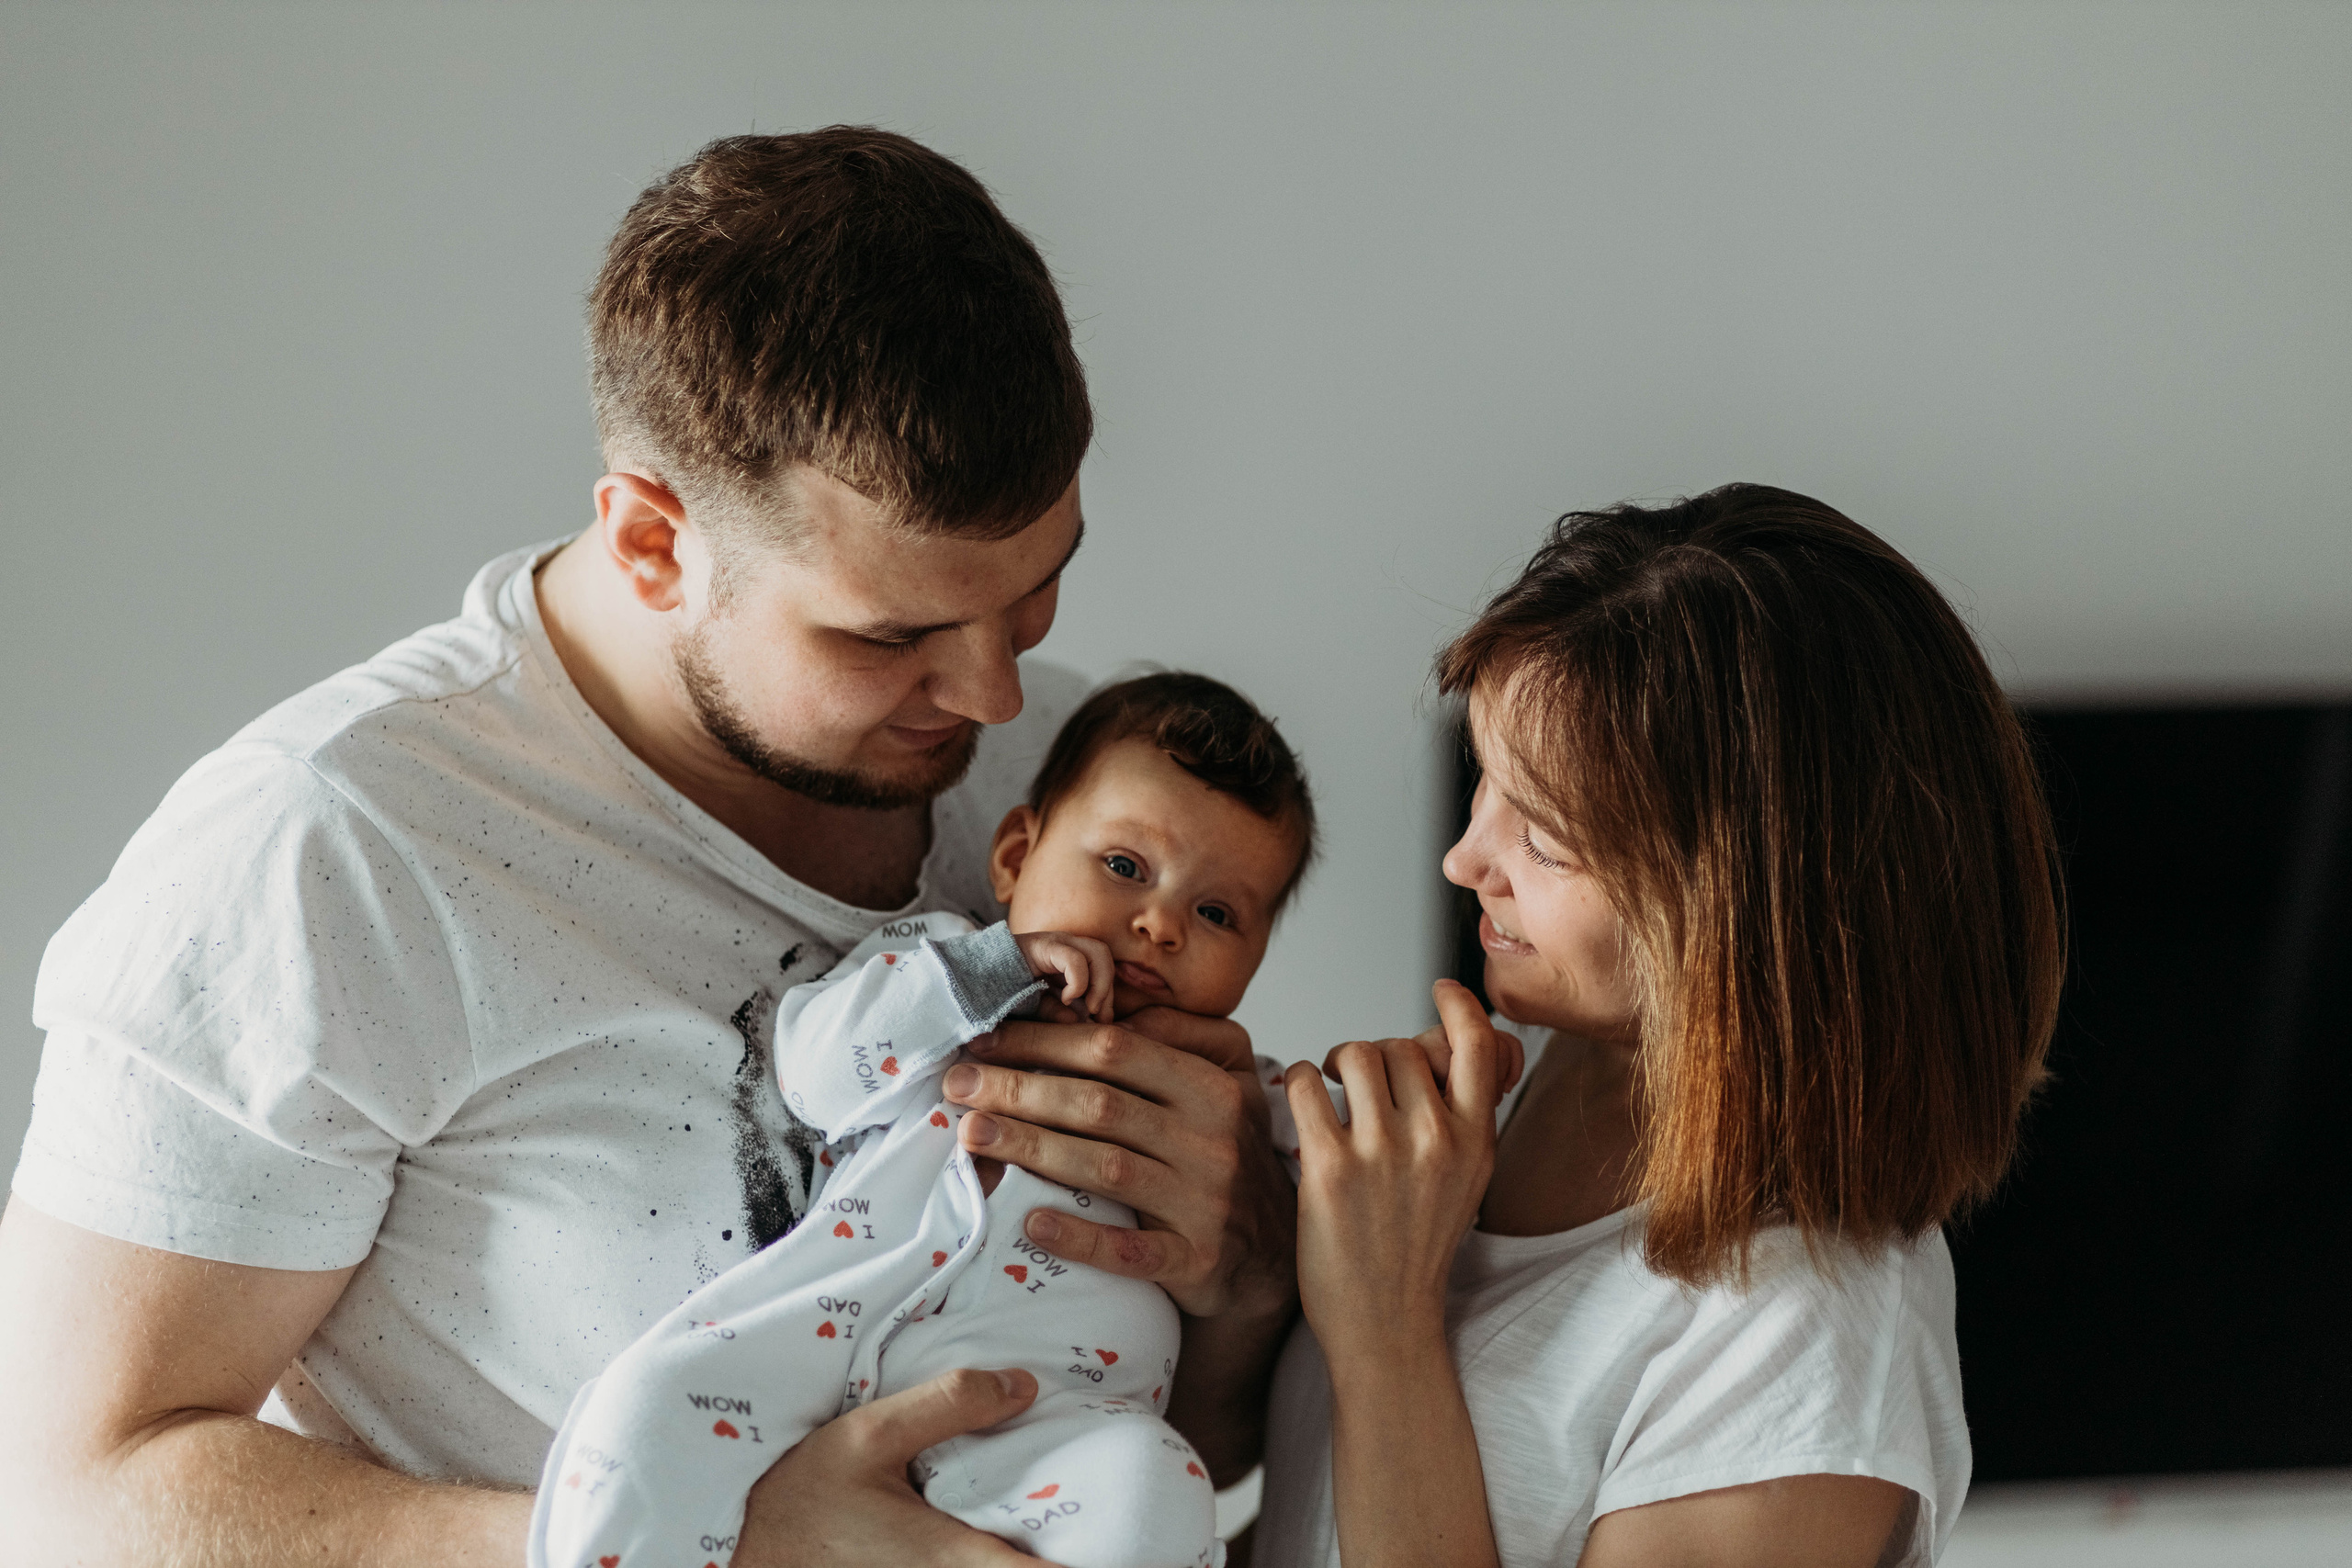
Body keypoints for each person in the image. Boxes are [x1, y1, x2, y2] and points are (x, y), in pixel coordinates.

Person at [0, 130, 1299, 1567]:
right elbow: (68, 1498)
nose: (991, 691)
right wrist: (711, 1543)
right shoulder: (324, 848)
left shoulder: (1065, 791)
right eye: (891, 635)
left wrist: (1230, 1285)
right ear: (653, 541)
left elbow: (1202, 1441)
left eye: (1038, 589)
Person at [1255, 484, 2063, 1567]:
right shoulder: (1533, 1067)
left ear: (1750, 905)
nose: (1466, 860)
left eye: (1542, 836)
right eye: (1483, 780)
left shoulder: (1811, 1331)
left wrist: (1384, 1337)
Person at [532, 674, 1315, 1568]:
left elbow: (1336, 1159)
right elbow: (813, 1076)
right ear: (1017, 857)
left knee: (1155, 1487)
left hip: (1043, 1414)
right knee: (643, 1403)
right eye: (1125, 867)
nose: (1158, 924)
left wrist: (1411, 1093)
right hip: (820, 1340)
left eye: (1216, 913)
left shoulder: (1220, 1095)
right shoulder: (937, 976)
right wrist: (992, 969)